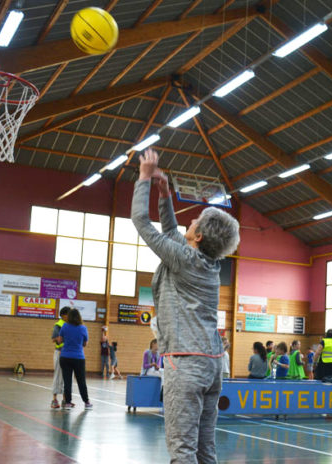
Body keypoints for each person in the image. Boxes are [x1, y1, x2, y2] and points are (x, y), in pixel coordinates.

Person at [133, 148, 240, 463]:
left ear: (199, 235)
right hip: (212, 365)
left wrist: (143, 178)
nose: (188, 222)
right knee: (205, 449)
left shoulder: (184, 259)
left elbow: (141, 221)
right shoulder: (205, 263)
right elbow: (170, 233)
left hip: (186, 363)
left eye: (193, 221)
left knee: (182, 451)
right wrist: (164, 195)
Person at [57, 308, 91, 409]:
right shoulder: (83, 328)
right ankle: (86, 402)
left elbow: (60, 340)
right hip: (78, 357)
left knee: (67, 381)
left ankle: (67, 402)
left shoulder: (65, 326)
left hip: (65, 357)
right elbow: (85, 344)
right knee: (81, 381)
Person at [50, 307, 70, 408]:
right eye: (68, 314)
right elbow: (54, 339)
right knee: (58, 376)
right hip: (60, 352)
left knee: (67, 377)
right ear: (63, 315)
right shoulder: (58, 325)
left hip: (69, 354)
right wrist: (64, 339)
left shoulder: (70, 325)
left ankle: (65, 400)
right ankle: (54, 400)